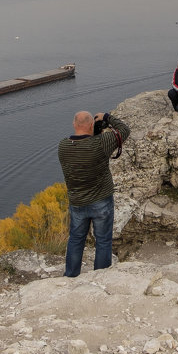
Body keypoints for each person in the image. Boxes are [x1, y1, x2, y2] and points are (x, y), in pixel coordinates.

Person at [57, 109, 131, 277]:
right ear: (91, 125)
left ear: (74, 125)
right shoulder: (101, 143)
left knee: (76, 239)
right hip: (101, 201)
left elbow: (83, 145)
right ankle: (100, 277)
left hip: (77, 202)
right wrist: (106, 117)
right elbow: (124, 130)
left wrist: (94, 132)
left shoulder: (63, 146)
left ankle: (70, 275)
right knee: (103, 240)